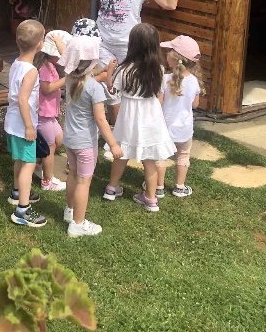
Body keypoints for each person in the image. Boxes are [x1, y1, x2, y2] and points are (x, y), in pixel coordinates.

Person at [43, 0, 205, 117]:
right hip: (104, 45)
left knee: (131, 94)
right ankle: (114, 132)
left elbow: (169, 4)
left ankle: (124, 130)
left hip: (131, 48)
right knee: (113, 95)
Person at [102, 23, 175, 212]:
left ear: (132, 44)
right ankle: (150, 199)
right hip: (151, 117)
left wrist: (109, 72)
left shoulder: (124, 69)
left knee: (121, 154)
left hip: (128, 117)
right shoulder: (159, 70)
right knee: (150, 160)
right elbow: (159, 93)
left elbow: (112, 90)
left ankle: (111, 188)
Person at [60, 35, 123, 237]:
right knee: (83, 182)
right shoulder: (95, 88)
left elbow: (77, 67)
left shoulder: (69, 78)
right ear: (93, 61)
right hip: (86, 143)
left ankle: (70, 211)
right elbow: (101, 120)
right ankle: (78, 224)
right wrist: (113, 144)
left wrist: (102, 71)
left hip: (70, 140)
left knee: (73, 175)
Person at [5, 19, 47, 227]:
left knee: (20, 160)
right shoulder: (31, 71)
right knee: (28, 165)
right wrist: (30, 126)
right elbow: (23, 99)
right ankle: (22, 210)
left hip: (13, 121)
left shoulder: (16, 63)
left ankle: (17, 192)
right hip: (23, 125)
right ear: (40, 44)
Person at [156, 35, 203, 198]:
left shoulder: (165, 79)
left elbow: (159, 103)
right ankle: (179, 187)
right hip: (185, 129)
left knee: (160, 156)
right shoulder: (194, 81)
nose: (166, 54)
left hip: (164, 127)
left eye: (169, 51)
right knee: (183, 155)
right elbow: (195, 105)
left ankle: (158, 187)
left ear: (175, 58)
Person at [33, 30, 69, 191]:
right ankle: (47, 181)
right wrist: (66, 80)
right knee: (50, 147)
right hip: (43, 114)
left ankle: (38, 166)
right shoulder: (45, 68)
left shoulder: (50, 65)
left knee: (59, 140)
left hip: (50, 114)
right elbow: (46, 88)